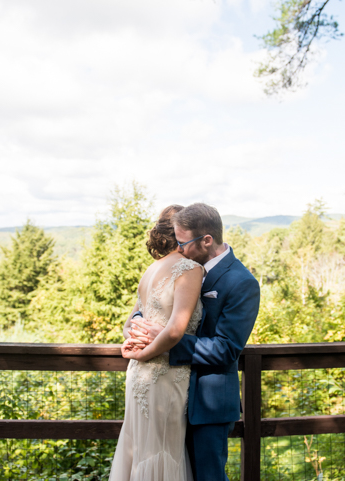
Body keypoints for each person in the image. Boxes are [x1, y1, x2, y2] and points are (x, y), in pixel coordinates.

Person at [129, 203, 261, 481]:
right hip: (170, 394)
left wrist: (166, 339)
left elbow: (225, 349)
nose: (178, 248)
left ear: (207, 240)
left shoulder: (241, 282)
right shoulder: (186, 268)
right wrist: (140, 325)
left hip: (208, 402)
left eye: (182, 242)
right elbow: (159, 306)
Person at [109, 204, 203, 481]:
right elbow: (174, 332)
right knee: (164, 449)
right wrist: (144, 353)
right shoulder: (190, 268)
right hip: (165, 373)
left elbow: (129, 325)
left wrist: (133, 344)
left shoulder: (152, 269)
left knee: (140, 449)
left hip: (139, 376)